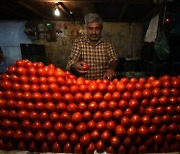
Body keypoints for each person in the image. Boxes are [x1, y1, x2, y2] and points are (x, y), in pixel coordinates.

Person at [66, 13, 118, 80]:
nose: (94, 32)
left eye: (97, 29)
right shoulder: (79, 42)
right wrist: (74, 65)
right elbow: (71, 61)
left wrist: (111, 69)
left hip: (102, 85)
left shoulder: (107, 44)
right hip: (84, 85)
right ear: (86, 29)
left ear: (101, 29)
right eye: (90, 29)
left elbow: (114, 59)